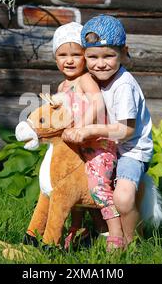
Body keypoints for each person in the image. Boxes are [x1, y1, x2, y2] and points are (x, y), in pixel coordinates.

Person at [62, 15, 154, 249]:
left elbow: (126, 130)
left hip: (130, 150)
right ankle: (96, 229)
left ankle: (132, 243)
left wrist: (89, 129)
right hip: (107, 147)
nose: (100, 64)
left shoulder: (123, 85)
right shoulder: (94, 79)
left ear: (123, 53)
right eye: (92, 57)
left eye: (108, 56)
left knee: (122, 199)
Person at [51, 22, 123, 250]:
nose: (69, 60)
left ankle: (116, 234)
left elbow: (98, 103)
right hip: (75, 147)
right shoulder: (63, 86)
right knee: (70, 186)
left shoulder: (85, 80)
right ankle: (80, 227)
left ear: (85, 57)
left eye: (75, 54)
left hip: (97, 145)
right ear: (55, 59)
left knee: (97, 185)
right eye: (62, 54)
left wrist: (81, 126)